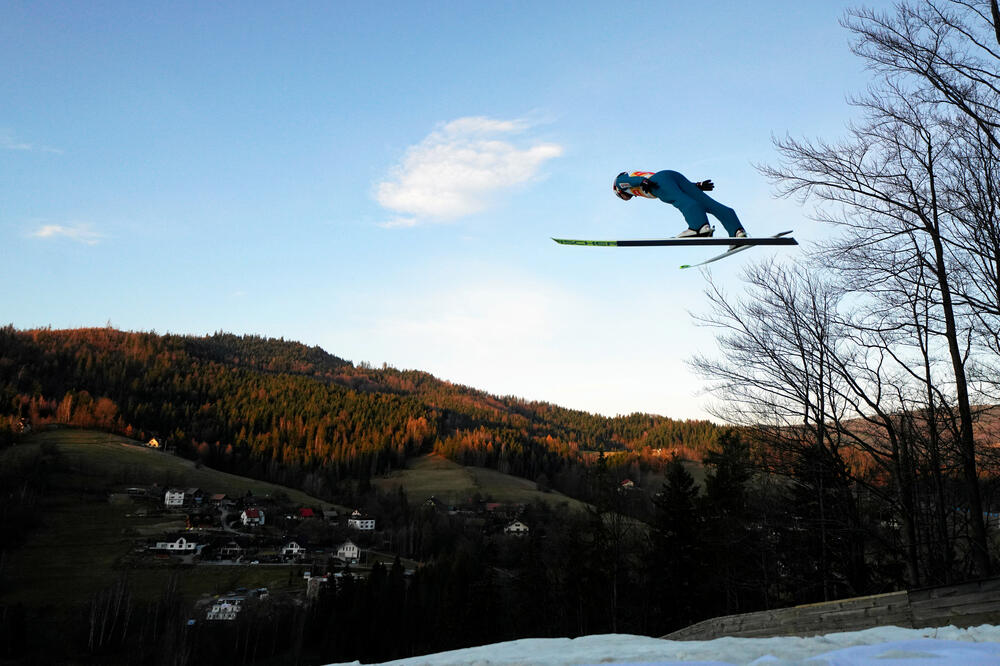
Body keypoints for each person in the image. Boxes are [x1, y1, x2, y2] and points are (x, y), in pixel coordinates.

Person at [613, 170, 747, 242]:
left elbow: (625, 182)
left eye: (621, 197)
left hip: (656, 182)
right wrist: (697, 186)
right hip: (672, 176)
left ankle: (698, 228)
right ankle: (737, 232)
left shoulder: (620, 183)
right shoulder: (638, 174)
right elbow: (676, 186)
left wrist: (642, 182)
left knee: (680, 200)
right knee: (709, 204)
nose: (627, 198)